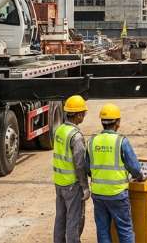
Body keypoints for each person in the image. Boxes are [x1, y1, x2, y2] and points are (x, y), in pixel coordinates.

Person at [90, 103, 144, 243]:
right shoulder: (121, 141)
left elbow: (87, 167)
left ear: (102, 122)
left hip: (98, 194)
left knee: (102, 230)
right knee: (125, 229)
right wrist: (139, 177)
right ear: (118, 123)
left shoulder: (92, 140)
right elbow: (135, 168)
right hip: (117, 194)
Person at [53, 95, 90, 243]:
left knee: (60, 218)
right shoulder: (76, 136)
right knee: (74, 220)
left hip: (59, 183)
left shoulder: (60, 130)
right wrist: (85, 187)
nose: (84, 116)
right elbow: (79, 164)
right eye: (83, 113)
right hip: (72, 185)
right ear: (78, 115)